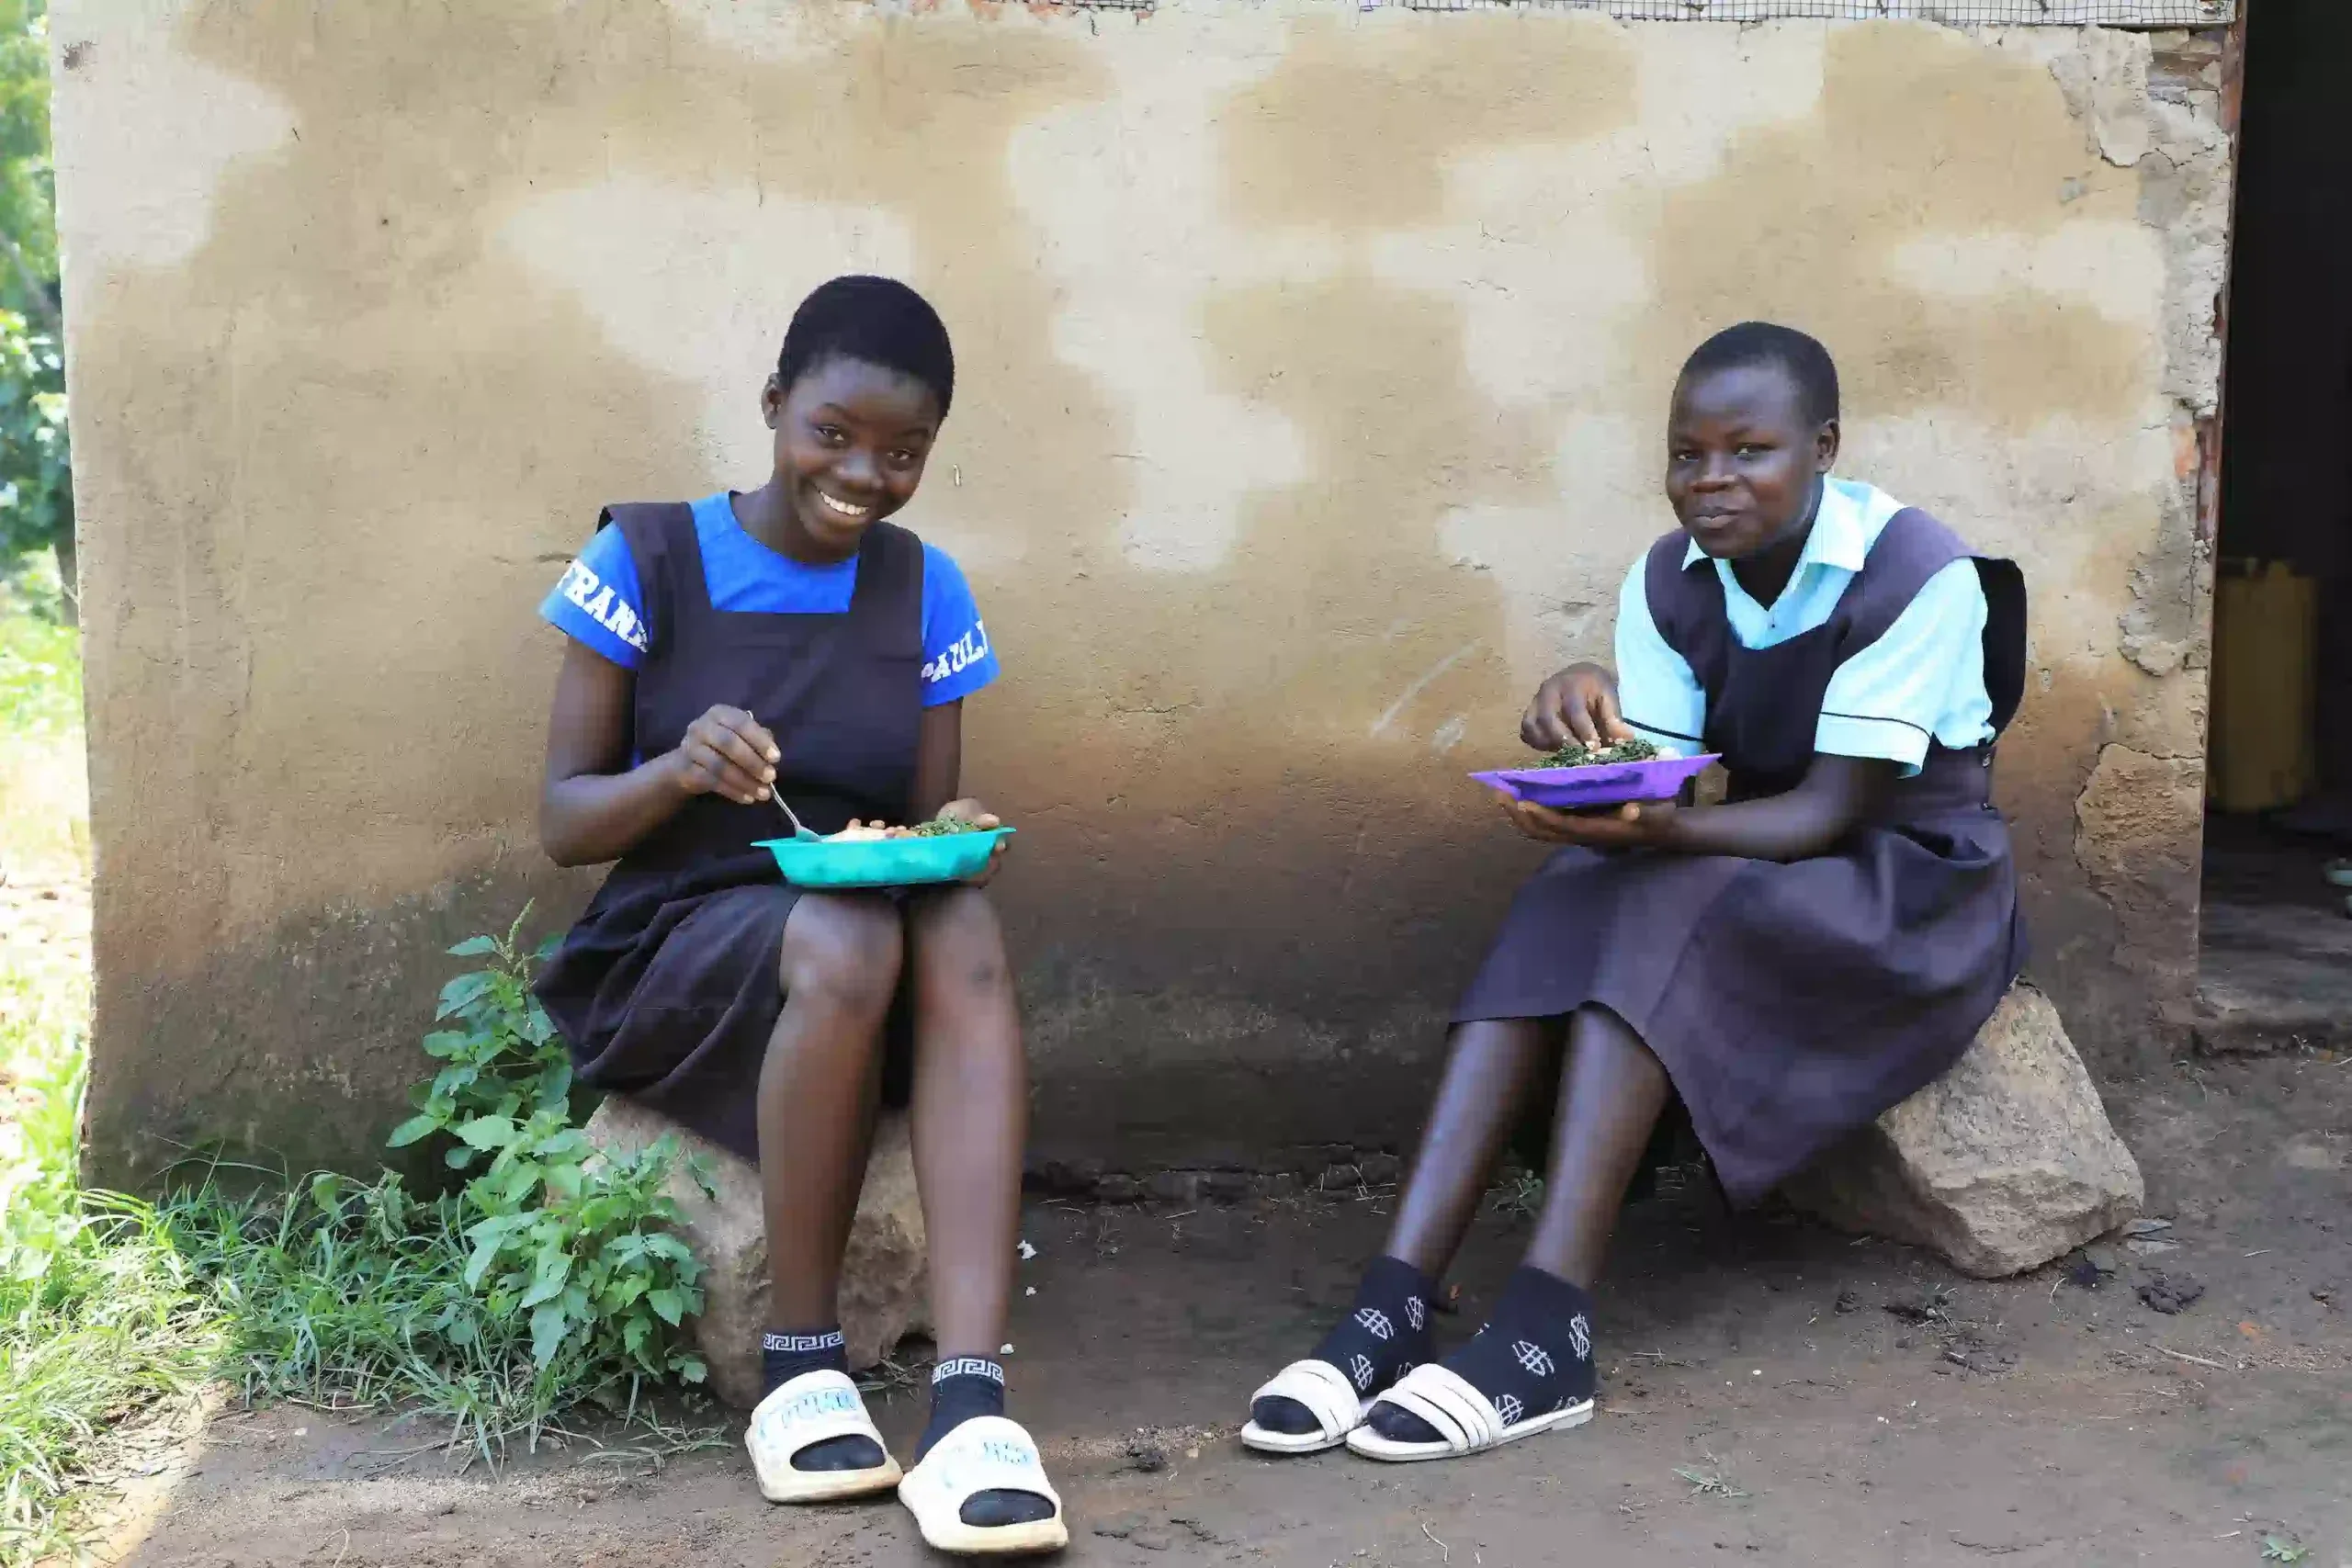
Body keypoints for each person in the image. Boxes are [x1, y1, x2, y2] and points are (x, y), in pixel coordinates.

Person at [1239, 321, 2026, 1464]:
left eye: (1748, 452)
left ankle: (1548, 1326)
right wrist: (1581, 732)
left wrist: (1660, 830)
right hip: (1759, 851)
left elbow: (1822, 815)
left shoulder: (1917, 571)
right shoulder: (1669, 576)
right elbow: (1653, 777)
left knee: (1655, 895)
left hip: (1906, 883)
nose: (1711, 484)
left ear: (1823, 448)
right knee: (1568, 885)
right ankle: (1391, 1298)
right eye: (1685, 455)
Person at [530, 276, 1066, 1555]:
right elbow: (562, 820)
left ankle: (974, 1402)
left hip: (851, 959)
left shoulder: (924, 590)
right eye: (832, 432)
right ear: (774, 407)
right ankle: (801, 1363)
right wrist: (676, 769)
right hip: (675, 949)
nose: (861, 474)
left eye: (902, 452)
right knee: (844, 933)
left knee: (955, 930)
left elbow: (923, 834)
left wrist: (958, 837)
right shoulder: (645, 559)